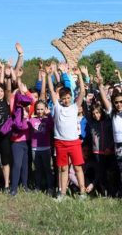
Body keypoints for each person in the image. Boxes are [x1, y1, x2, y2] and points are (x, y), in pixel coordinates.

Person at [46, 65, 87, 201]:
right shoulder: (57, 106)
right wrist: (48, 75)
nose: (66, 100)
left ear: (71, 97)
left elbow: (82, 92)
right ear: (60, 98)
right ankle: (62, 194)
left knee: (77, 168)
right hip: (60, 143)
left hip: (74, 142)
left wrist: (80, 75)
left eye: (68, 97)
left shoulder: (75, 107)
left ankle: (82, 192)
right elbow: (51, 90)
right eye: (63, 98)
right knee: (63, 169)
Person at [99, 67, 122, 203]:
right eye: (116, 102)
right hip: (118, 145)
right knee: (121, 169)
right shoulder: (112, 113)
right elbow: (104, 98)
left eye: (121, 102)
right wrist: (100, 84)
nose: (119, 104)